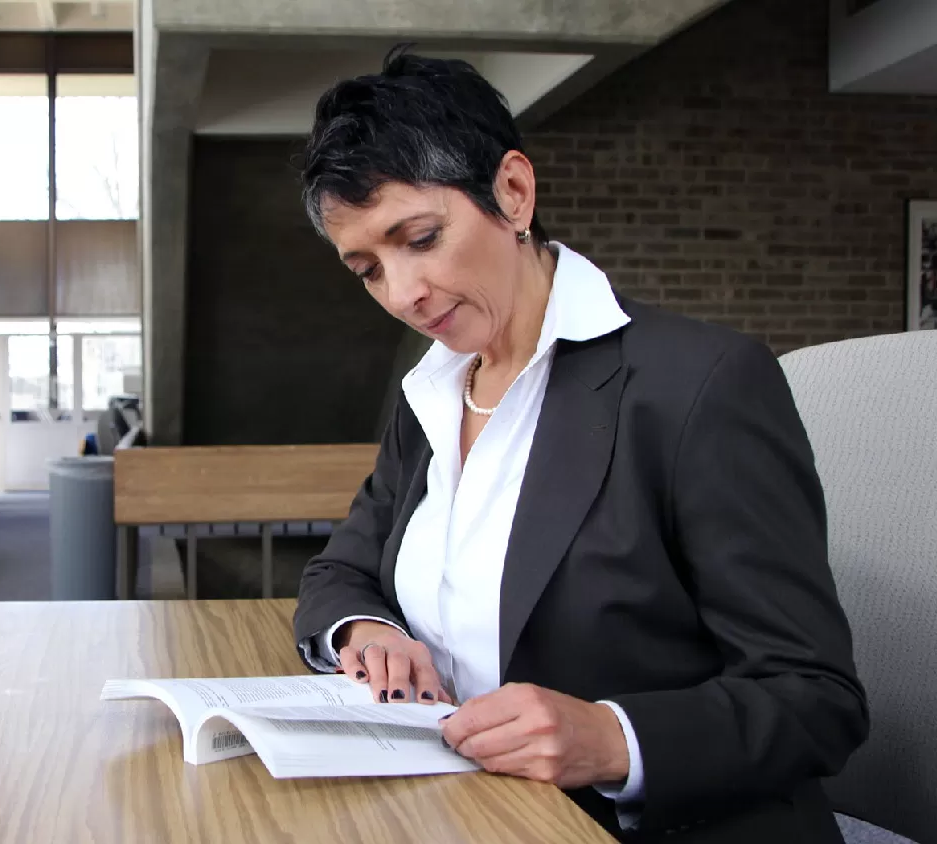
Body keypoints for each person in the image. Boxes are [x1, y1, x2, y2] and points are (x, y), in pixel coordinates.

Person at [293, 52, 868, 842]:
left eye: (420, 238)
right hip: (463, 815)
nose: (402, 293)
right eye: (367, 269)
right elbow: (340, 571)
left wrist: (611, 739)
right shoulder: (431, 393)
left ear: (513, 192)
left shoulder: (698, 385)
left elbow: (816, 699)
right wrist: (370, 633)